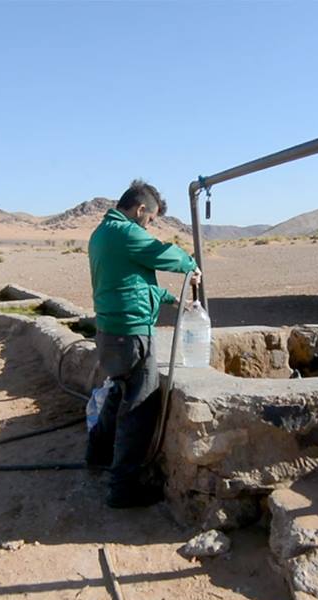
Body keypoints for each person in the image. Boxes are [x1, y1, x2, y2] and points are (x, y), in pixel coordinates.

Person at [86, 179, 201, 508]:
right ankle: (122, 489)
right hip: (132, 334)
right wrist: (190, 265)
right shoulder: (126, 233)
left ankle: (97, 453)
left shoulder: (102, 233)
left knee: (118, 391)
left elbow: (133, 282)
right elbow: (162, 255)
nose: (149, 226)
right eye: (150, 220)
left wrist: (171, 300)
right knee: (139, 407)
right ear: (139, 210)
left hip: (110, 332)